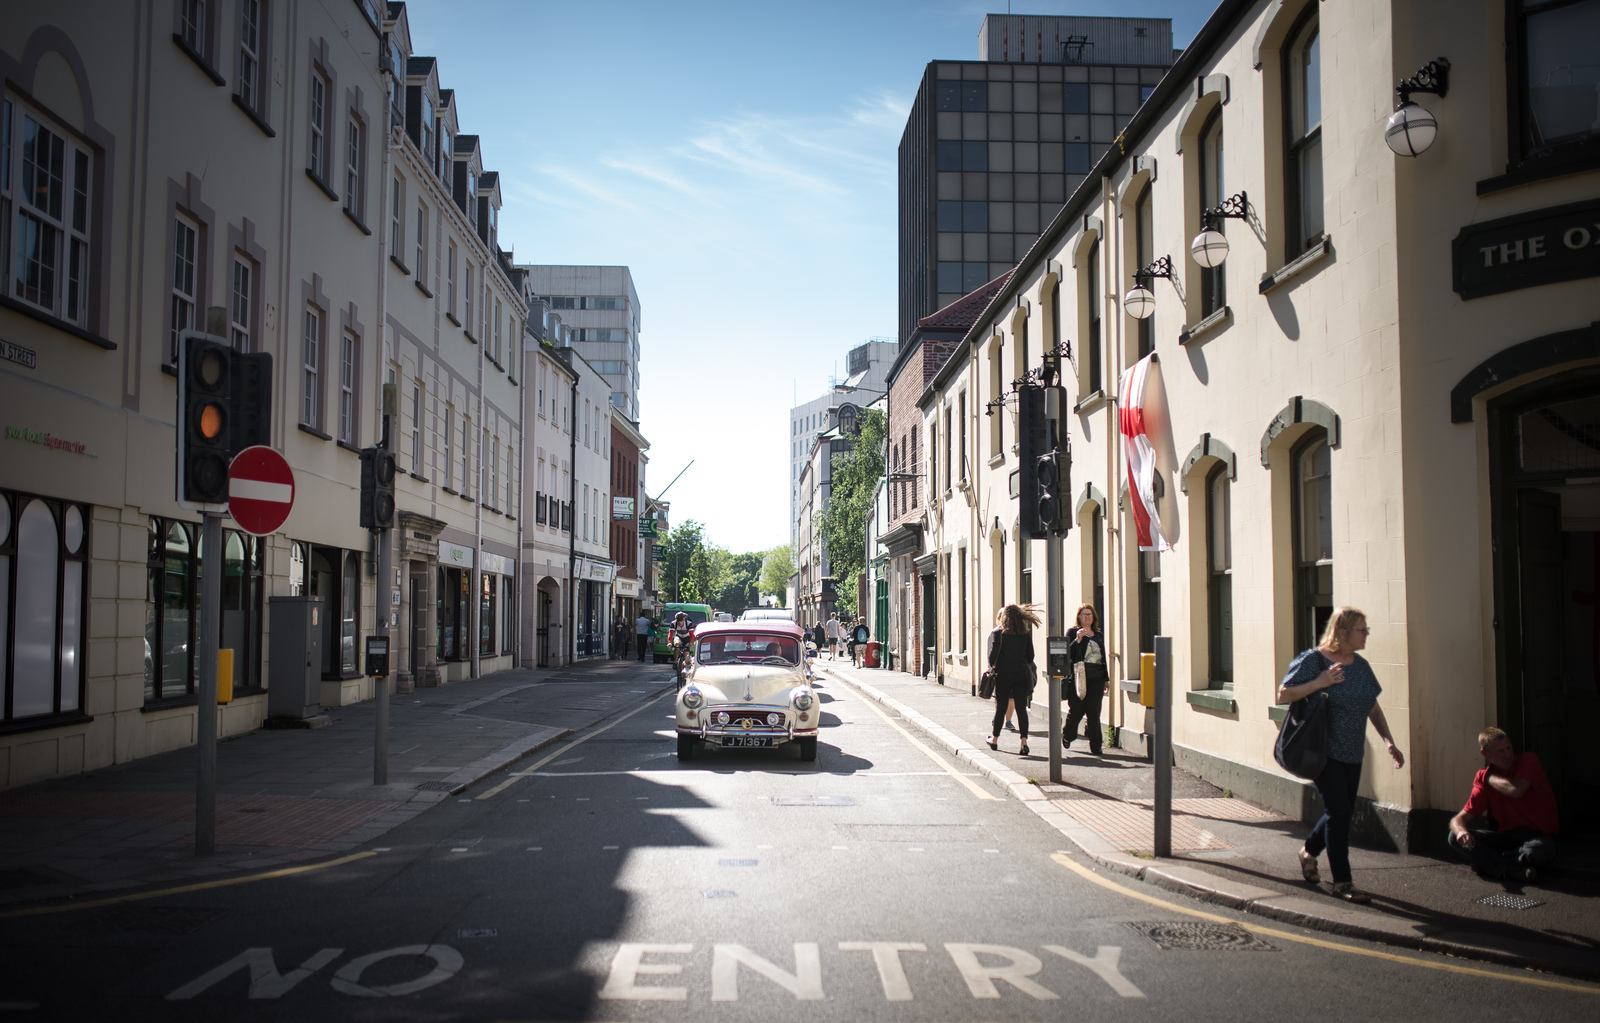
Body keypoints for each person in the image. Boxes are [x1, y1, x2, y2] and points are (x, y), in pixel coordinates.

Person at [1278, 607, 1404, 903]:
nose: (1366, 634)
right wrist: (1319, 682)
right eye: (1362, 629)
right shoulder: (1314, 660)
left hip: (1352, 753)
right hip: (1323, 752)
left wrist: (1389, 741)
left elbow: (1372, 708)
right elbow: (1283, 694)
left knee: (1341, 810)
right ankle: (1342, 882)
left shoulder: (1361, 666)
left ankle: (1308, 851)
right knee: (1339, 813)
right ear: (1343, 632)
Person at [1447, 727, 1558, 883]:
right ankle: (1510, 868)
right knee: (1453, 837)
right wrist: (1461, 832)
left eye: (1509, 748)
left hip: (1535, 836)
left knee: (1540, 850)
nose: (1507, 755)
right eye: (1500, 751)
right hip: (1506, 838)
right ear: (1485, 754)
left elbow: (1516, 790)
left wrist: (1489, 778)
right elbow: (1457, 820)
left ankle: (1494, 865)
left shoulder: (1528, 761)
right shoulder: (1482, 778)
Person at [986, 604, 1041, 757]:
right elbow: (1031, 656)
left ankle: (994, 739)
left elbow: (992, 658)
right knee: (1021, 709)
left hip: (1003, 676)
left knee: (1001, 708)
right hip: (1021, 676)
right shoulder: (1025, 634)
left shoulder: (998, 633)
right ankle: (1024, 742)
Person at [1064, 604, 1108, 754]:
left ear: (1093, 617)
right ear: (1079, 617)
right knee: (1076, 710)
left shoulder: (1098, 635)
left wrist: (1106, 679)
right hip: (1079, 677)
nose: (1087, 617)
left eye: (1090, 614)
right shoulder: (1072, 632)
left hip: (1097, 678)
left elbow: (1103, 657)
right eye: (1084, 614)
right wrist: (1078, 639)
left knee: (1093, 711)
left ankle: (1096, 746)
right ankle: (1068, 735)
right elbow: (1067, 653)